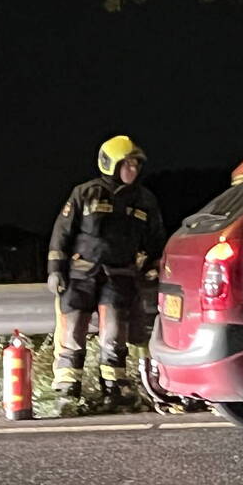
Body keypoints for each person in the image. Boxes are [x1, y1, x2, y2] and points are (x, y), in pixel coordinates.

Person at [47, 135, 165, 413]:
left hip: (119, 276)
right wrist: (55, 271)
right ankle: (67, 391)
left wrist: (152, 267)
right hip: (80, 275)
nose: (133, 170)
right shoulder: (85, 193)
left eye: (136, 165)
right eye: (127, 164)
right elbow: (61, 234)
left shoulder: (145, 200)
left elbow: (156, 239)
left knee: (114, 334)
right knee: (72, 331)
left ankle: (115, 390)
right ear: (111, 164)